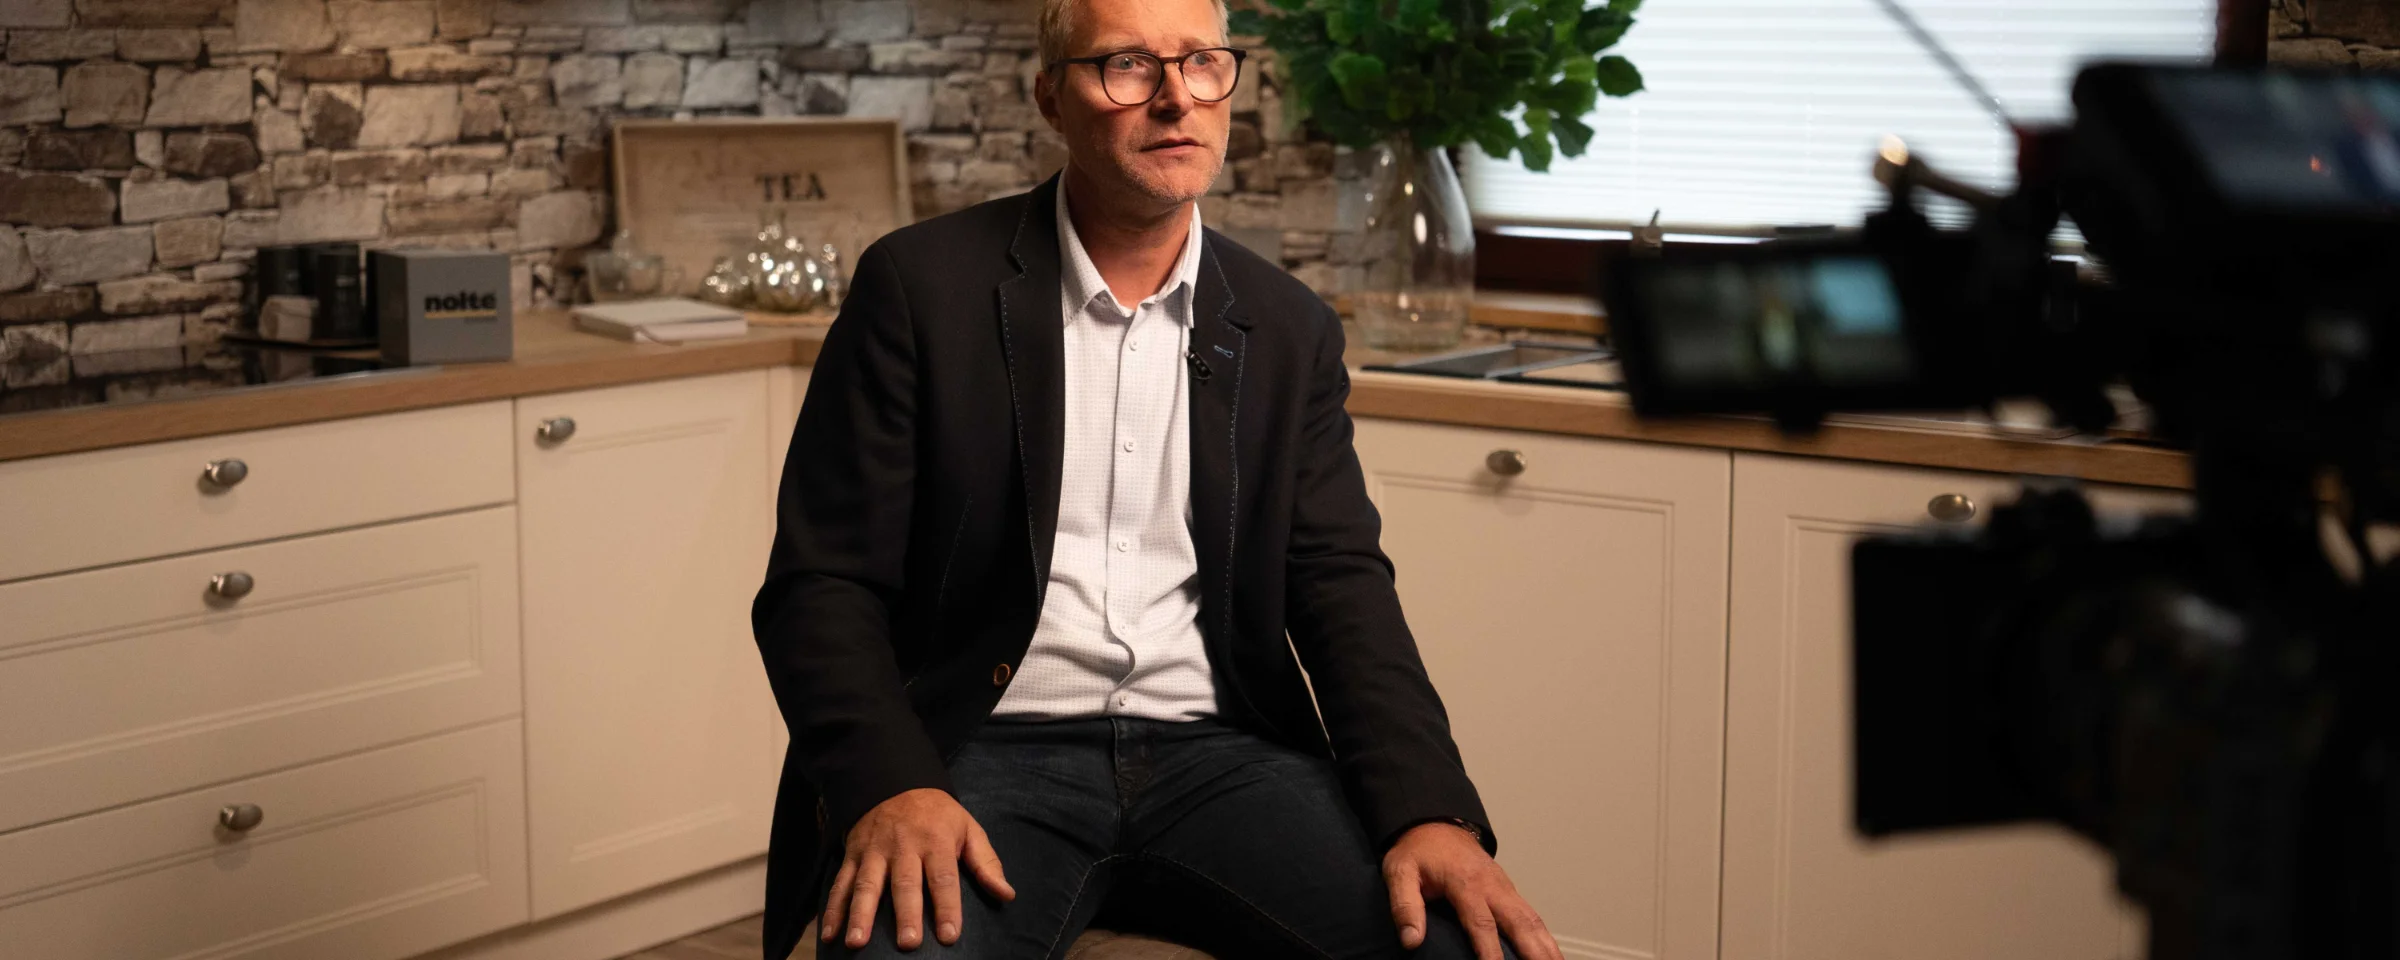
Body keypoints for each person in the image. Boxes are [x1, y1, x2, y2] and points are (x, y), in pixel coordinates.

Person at [749, 0, 1559, 955]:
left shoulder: (1288, 328)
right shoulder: (921, 290)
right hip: (978, 751)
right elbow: (821, 585)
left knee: (1459, 948)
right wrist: (892, 783)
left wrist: (1430, 812)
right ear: (1051, 96)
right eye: (1128, 66)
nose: (1176, 99)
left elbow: (1341, 585)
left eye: (1203, 64)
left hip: (1219, 755)